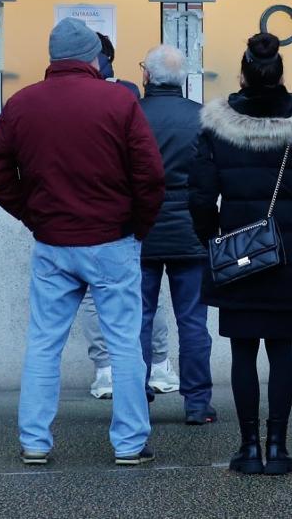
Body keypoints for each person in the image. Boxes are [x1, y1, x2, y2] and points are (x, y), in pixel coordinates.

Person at [0, 17, 165, 466]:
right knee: (124, 344)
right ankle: (129, 443)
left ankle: (35, 441)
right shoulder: (118, 103)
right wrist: (136, 225)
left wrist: (31, 213)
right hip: (112, 241)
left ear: (53, 57)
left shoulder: (23, 104)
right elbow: (151, 174)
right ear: (92, 58)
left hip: (53, 243)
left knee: (44, 343)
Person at [189, 33, 292, 476]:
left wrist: (214, 240)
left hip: (238, 256)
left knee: (243, 352)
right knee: (282, 351)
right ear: (279, 72)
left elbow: (199, 195)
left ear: (243, 72)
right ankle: (280, 447)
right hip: (287, 255)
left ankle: (249, 448)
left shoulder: (217, 123)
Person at [80, 32, 176, 398]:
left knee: (104, 293)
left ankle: (111, 370)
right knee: (141, 292)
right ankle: (158, 366)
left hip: (95, 210)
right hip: (121, 208)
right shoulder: (127, 93)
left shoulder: (69, 92)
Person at [138, 44, 216, 425]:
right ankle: (197, 403)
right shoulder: (201, 117)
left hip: (141, 230)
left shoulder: (131, 115)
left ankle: (137, 397)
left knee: (137, 317)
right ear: (182, 79)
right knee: (193, 321)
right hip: (190, 230)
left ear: (147, 76)